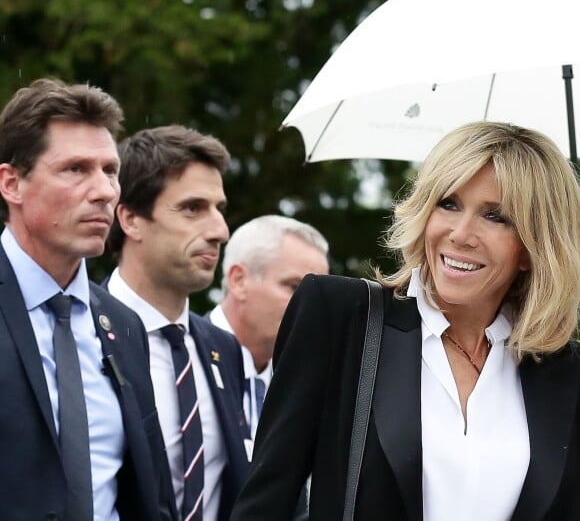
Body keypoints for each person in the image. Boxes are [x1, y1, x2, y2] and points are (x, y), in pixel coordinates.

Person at [230, 121, 580, 521]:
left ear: (534, 246)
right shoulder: (340, 316)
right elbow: (265, 502)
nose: (461, 234)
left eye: (495, 216)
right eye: (448, 203)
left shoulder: (561, 369)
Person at [0, 78, 176, 520]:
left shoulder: (123, 324)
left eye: (110, 170)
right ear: (12, 183)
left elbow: (150, 495)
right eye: (75, 169)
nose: (103, 192)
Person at [106, 125, 250, 521]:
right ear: (131, 219)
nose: (219, 231)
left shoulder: (224, 350)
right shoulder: (81, 335)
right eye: (192, 208)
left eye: (219, 209)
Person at [209, 214, 329, 439]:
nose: (312, 309)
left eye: (318, 296)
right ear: (239, 281)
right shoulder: (183, 361)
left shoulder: (302, 386)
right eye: (294, 287)